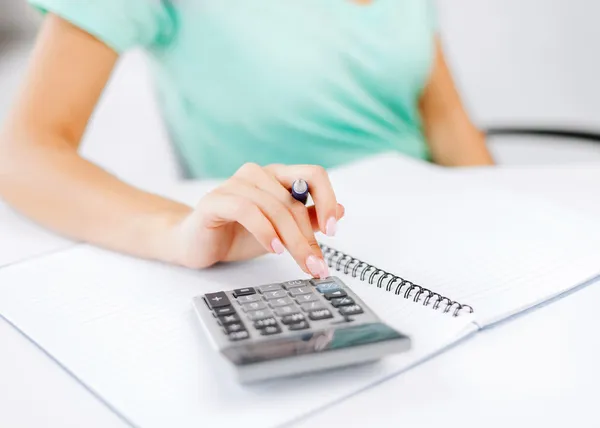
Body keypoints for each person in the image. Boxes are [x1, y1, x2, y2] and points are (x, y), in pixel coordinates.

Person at [0, 0, 494, 279]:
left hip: (437, 242)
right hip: (293, 267)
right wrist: (176, 231)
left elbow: (446, 122)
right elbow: (23, 153)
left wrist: (512, 221)